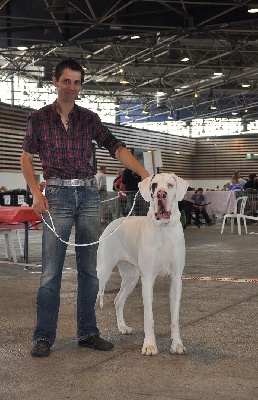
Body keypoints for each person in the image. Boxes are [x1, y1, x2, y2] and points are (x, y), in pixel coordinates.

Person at [20, 58, 149, 358]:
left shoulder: (89, 119)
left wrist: (144, 175)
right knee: (50, 272)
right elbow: (26, 157)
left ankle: (88, 332)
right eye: (67, 81)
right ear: (55, 81)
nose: (72, 87)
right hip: (56, 197)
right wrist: (35, 193)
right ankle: (44, 337)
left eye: (77, 82)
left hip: (89, 197)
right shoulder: (38, 119)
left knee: (89, 272)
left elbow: (116, 147)